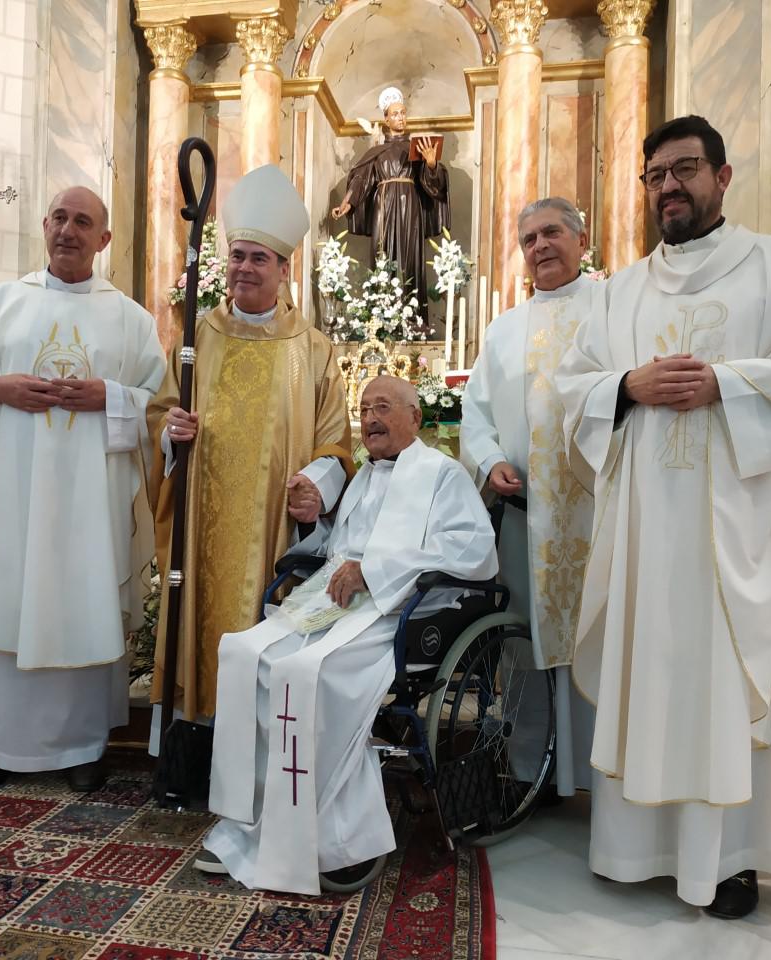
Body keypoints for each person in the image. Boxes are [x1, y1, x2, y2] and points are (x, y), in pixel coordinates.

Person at [554, 115, 771, 918]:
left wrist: (725, 384)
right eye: (656, 174)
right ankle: (635, 846)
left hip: (743, 528)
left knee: (724, 684)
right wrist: (627, 387)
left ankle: (730, 859)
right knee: (654, 669)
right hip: (649, 534)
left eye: (685, 170)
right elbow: (569, 385)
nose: (669, 187)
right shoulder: (619, 290)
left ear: (722, 178)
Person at [196, 375, 498, 895]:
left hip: (393, 612)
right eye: (364, 408)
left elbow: (474, 551)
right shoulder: (361, 477)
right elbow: (337, 545)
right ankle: (246, 825)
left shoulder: (443, 474)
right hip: (331, 607)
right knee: (246, 655)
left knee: (307, 675)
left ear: (415, 418)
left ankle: (336, 839)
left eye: (383, 407)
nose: (371, 418)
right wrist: (315, 527)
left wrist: (375, 569)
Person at [0, 186, 166, 793]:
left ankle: (84, 748)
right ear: (43, 224)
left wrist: (111, 397)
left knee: (83, 602)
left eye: (83, 222)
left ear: (103, 239)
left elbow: (162, 409)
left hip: (91, 505)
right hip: (12, 497)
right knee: (5, 599)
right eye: (59, 217)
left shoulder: (131, 319)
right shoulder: (1, 304)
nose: (69, 230)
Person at [149, 164, 352, 724]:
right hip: (201, 523)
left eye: (259, 258)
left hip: (272, 526)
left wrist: (316, 486)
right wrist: (172, 435)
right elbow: (160, 416)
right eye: (237, 255)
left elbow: (336, 438)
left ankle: (258, 747)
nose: (244, 268)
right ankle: (194, 739)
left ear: (284, 268)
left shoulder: (311, 350)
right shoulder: (196, 339)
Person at [461, 196, 596, 799]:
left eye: (551, 233)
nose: (540, 247)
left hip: (598, 514)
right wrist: (490, 463)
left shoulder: (614, 308)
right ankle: (528, 771)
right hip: (526, 519)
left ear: (581, 241)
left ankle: (600, 775)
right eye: (529, 240)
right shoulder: (504, 329)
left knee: (598, 636)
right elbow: (476, 413)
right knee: (528, 643)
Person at [331, 86, 449, 314]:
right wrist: (347, 202)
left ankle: (411, 316)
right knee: (381, 252)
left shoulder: (418, 148)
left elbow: (433, 184)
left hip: (410, 207)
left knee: (410, 257)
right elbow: (361, 179)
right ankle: (380, 315)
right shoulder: (378, 151)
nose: (401, 118)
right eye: (395, 114)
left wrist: (431, 164)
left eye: (403, 113)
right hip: (383, 207)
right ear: (386, 119)